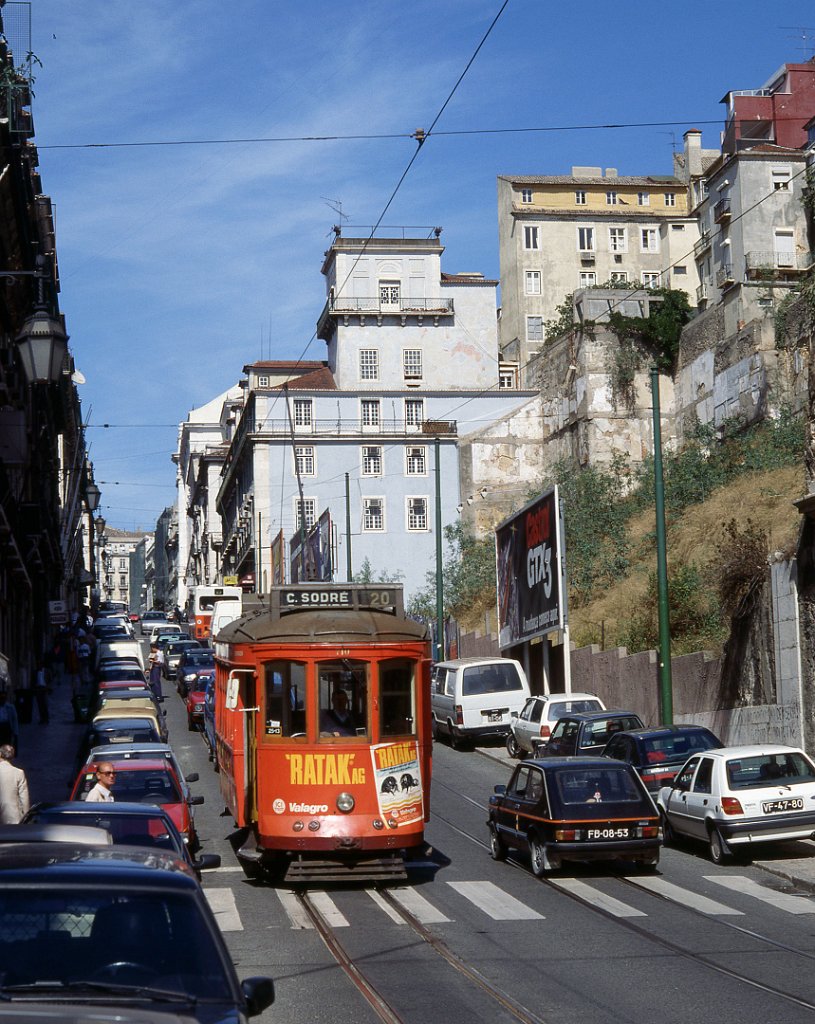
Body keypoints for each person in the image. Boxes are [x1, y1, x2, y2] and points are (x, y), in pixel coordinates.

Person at [0, 744, 30, 823]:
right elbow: (24, 798)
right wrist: (26, 817)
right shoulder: (19, 773)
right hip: (13, 817)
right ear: (12, 757)